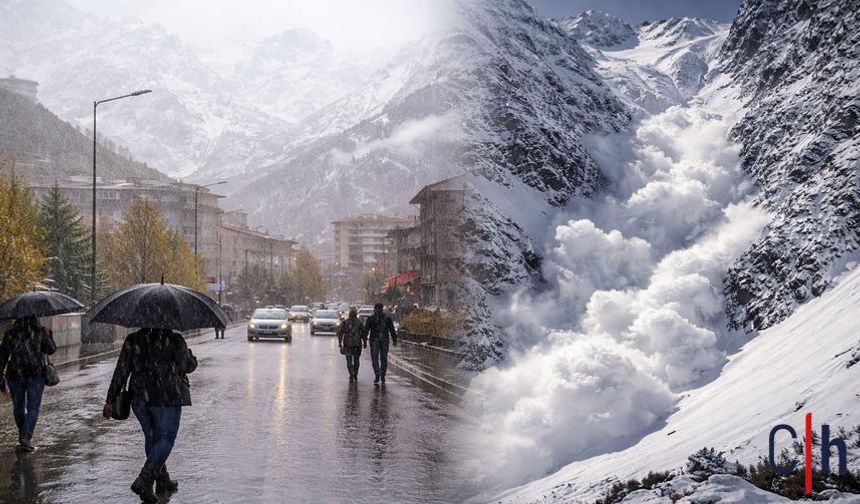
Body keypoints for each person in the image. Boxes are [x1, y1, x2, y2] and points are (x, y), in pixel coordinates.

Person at [103, 328, 197, 503]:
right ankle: (144, 480)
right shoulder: (174, 339)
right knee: (165, 440)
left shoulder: (133, 339)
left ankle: (162, 480)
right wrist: (191, 360)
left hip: (139, 398)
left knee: (152, 439)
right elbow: (186, 366)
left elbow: (121, 371)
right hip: (166, 398)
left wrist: (110, 399)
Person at [0, 316, 57, 451]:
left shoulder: (11, 334)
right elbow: (51, 350)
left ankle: (23, 434)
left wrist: (0, 372)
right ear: (34, 318)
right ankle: (26, 435)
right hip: (35, 374)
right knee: (33, 407)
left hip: (15, 374)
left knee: (18, 407)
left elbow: (2, 356)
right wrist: (49, 334)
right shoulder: (40, 332)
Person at [363, 303, 397, 384]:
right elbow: (392, 330)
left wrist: (364, 340)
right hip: (384, 340)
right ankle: (382, 375)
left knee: (375, 358)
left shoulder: (371, 318)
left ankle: (378, 374)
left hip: (374, 340)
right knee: (384, 358)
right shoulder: (387, 318)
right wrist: (394, 340)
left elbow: (366, 330)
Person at [337, 309, 367, 382]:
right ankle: (355, 373)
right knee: (356, 360)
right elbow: (364, 334)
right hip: (357, 345)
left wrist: (340, 343)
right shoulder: (359, 323)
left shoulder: (345, 323)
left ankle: (352, 373)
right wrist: (365, 342)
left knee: (349, 361)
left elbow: (341, 333)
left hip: (348, 344)